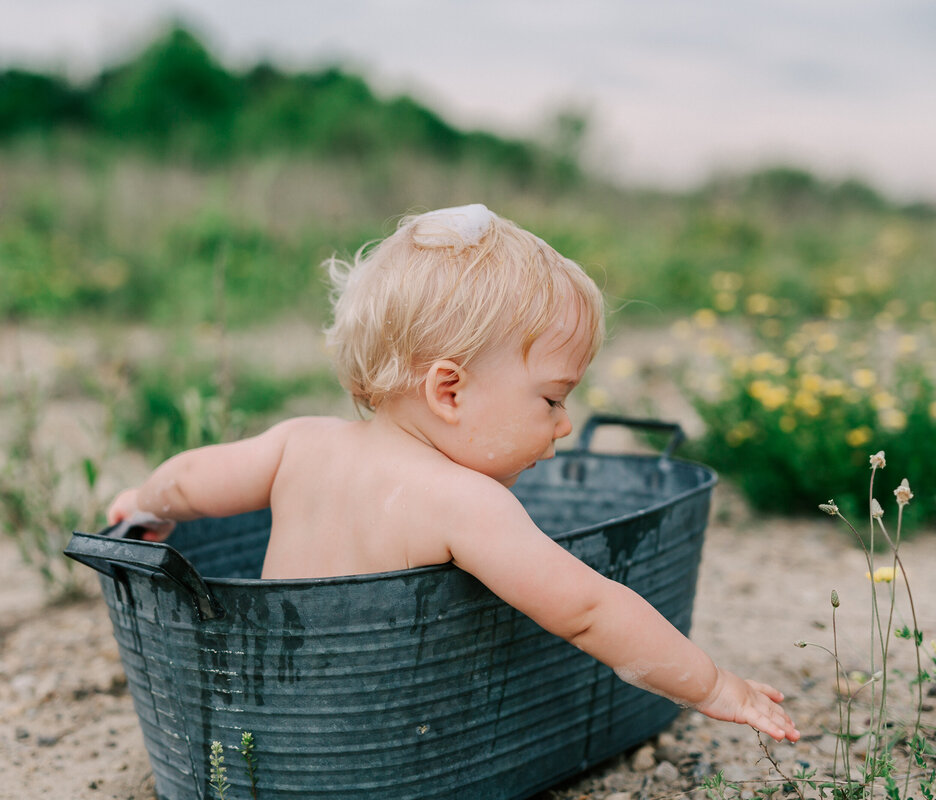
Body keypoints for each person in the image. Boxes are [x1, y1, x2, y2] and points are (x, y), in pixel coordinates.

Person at [107, 203, 800, 743]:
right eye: (553, 399)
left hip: (266, 711)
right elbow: (589, 609)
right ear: (449, 391)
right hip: (391, 737)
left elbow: (192, 482)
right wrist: (712, 687)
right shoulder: (464, 502)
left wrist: (141, 503)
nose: (564, 424)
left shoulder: (300, 443)